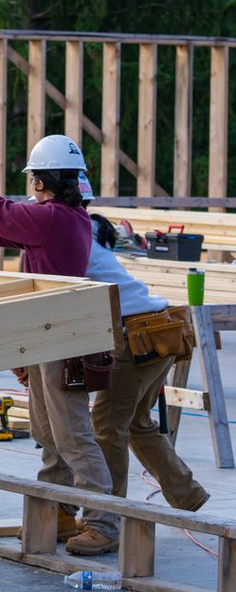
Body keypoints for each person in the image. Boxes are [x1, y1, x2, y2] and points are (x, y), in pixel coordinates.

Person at [0, 134, 120, 556]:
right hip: (47, 337)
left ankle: (104, 523)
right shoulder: (59, 219)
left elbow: (2, 213)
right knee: (47, 433)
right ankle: (56, 515)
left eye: (34, 181)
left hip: (61, 339)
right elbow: (2, 232)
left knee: (72, 435)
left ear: (42, 182)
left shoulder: (56, 218)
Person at [85, 208, 209, 513]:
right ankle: (187, 495)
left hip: (137, 338)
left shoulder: (70, 233)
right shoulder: (87, 229)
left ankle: (107, 515)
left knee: (108, 426)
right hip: (160, 329)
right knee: (138, 424)